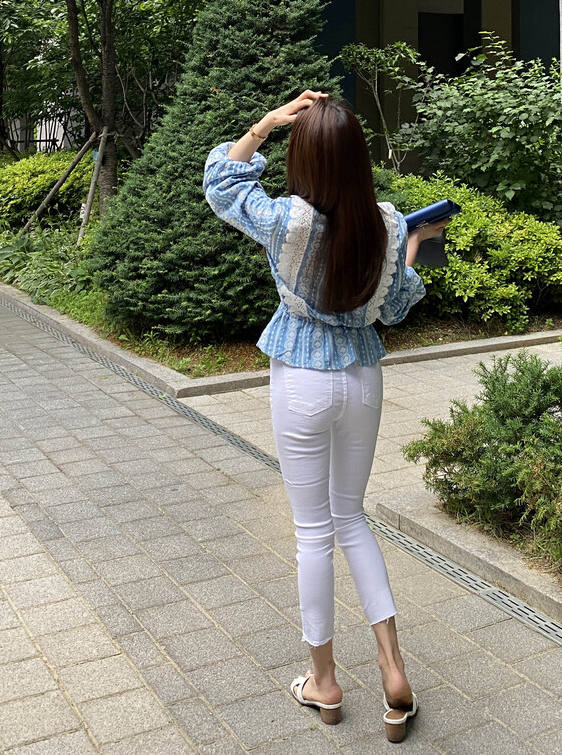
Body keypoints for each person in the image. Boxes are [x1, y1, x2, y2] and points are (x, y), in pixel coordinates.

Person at [203, 90, 446, 743]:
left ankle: (325, 682)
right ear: (359, 159)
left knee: (313, 532)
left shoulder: (287, 220)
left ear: (305, 159)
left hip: (302, 379)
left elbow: (222, 183)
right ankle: (393, 671)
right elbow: (395, 307)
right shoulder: (388, 224)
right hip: (362, 377)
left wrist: (265, 124)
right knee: (352, 519)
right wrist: (414, 244)